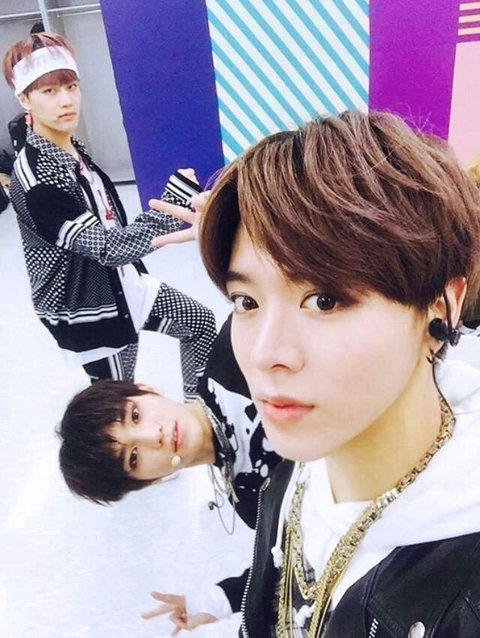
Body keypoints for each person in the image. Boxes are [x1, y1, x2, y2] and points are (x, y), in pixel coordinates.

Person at [182, 111, 480, 636]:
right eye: (246, 301)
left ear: (442, 305)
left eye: (324, 300)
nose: (266, 354)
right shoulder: (292, 474)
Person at [2, 32, 215, 398]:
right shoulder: (37, 178)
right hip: (87, 305)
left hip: (122, 282)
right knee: (119, 399)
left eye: (71, 86)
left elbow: (108, 229)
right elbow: (106, 247)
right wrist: (172, 207)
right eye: (49, 91)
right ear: (24, 98)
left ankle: (199, 414)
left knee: (199, 323)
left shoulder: (69, 147)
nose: (66, 100)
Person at [58, 314, 282, 632]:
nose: (154, 436)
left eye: (135, 415)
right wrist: (219, 600)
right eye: (134, 457)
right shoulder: (251, 501)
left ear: (145, 389)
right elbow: (296, 560)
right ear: (149, 481)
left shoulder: (234, 349)